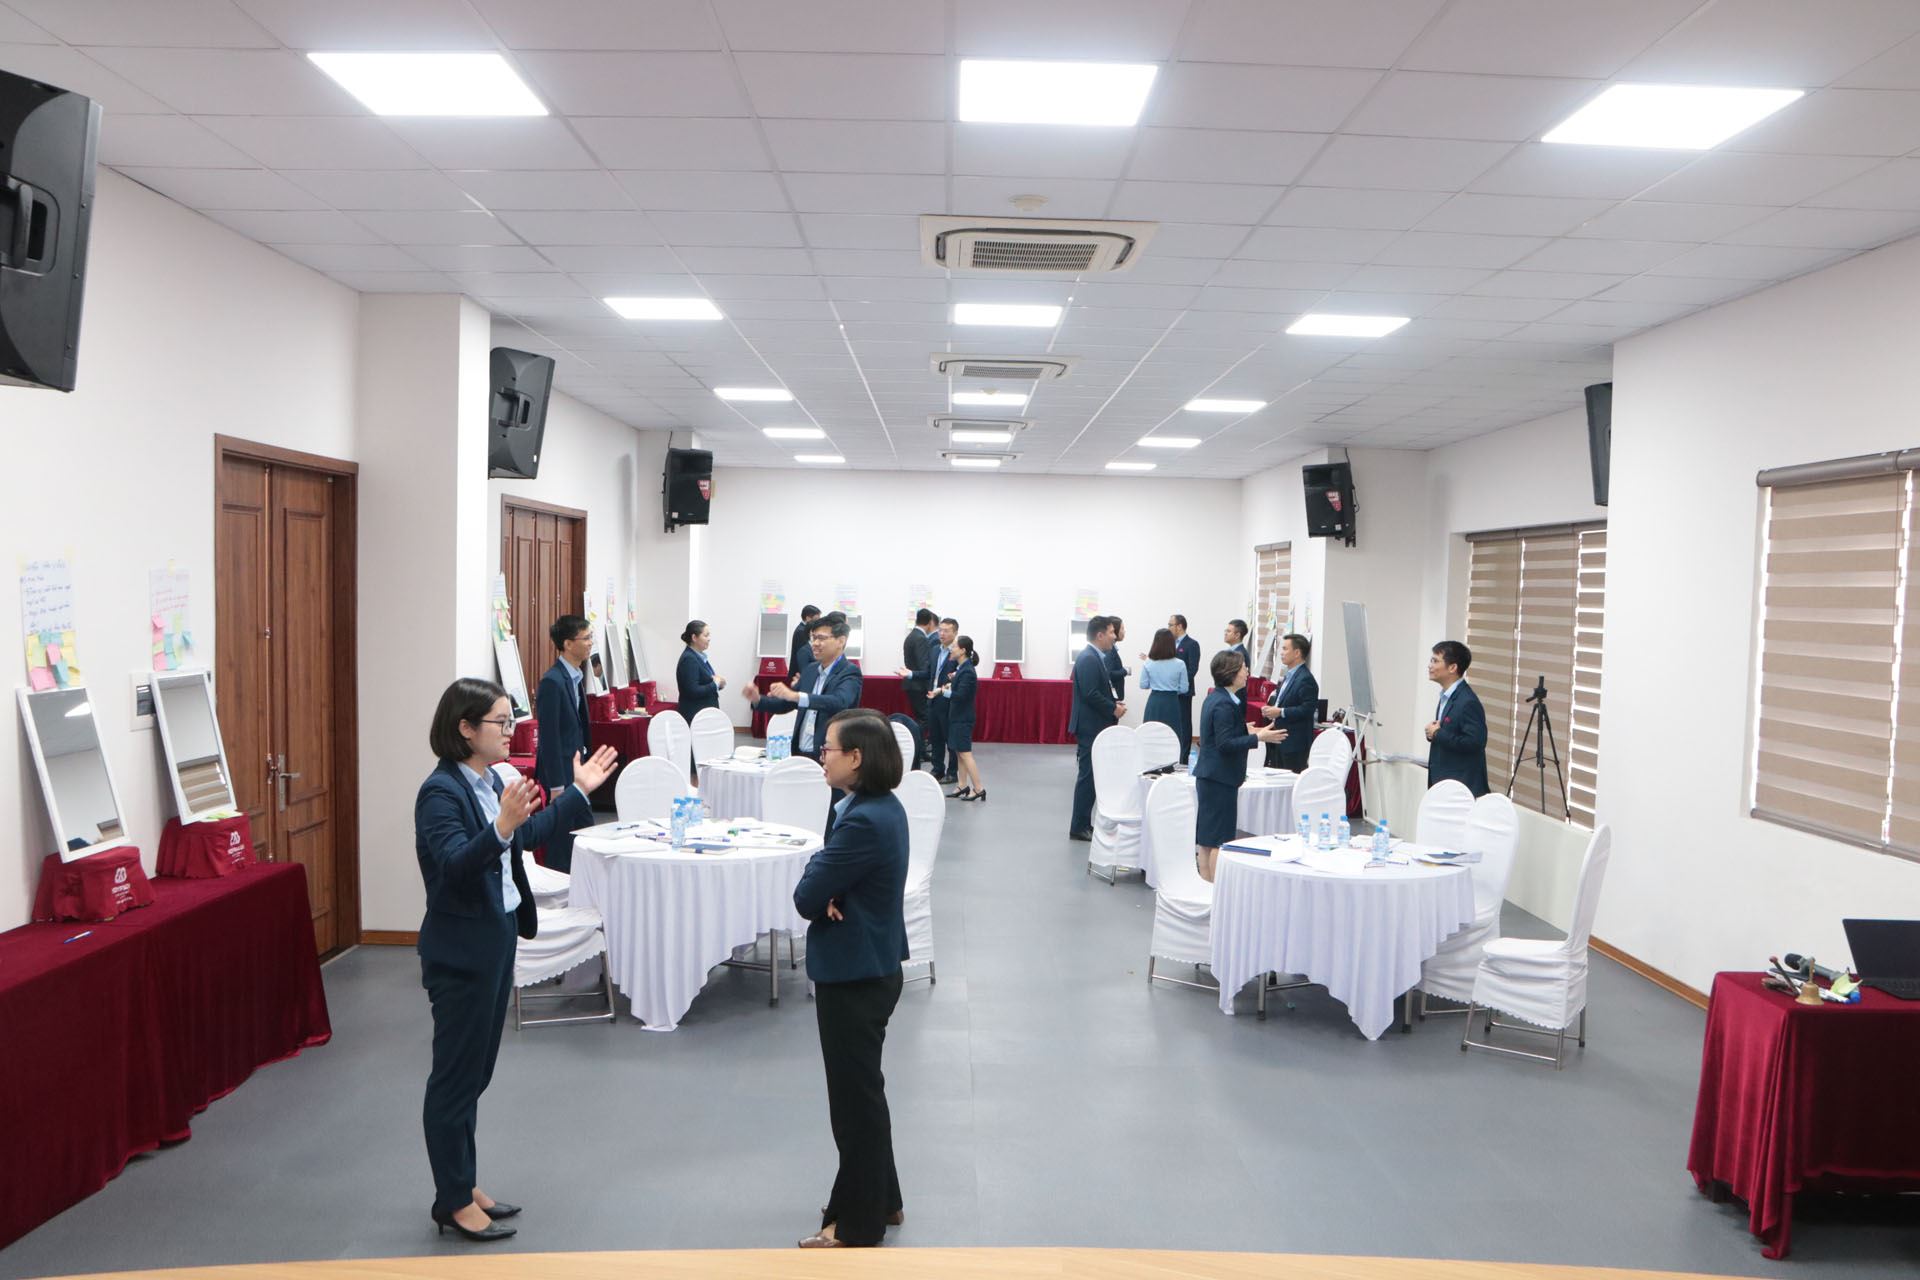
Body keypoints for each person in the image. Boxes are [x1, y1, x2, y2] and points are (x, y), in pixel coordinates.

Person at [415, 677, 618, 1242]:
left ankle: (463, 1182)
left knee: (476, 1074)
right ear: (465, 728)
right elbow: (455, 868)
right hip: (461, 950)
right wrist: (501, 827)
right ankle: (452, 1200)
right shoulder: (440, 794)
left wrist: (577, 793)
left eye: (511, 720)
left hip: (497, 936)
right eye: (500, 722)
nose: (512, 731)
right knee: (455, 1078)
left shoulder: (489, 780)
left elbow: (526, 835)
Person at [792, 710, 909, 1249]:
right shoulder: (875, 808)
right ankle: (884, 1199)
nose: (822, 756)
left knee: (854, 1104)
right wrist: (828, 885)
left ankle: (859, 1224)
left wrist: (825, 888)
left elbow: (806, 895)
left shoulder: (863, 820)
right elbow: (824, 881)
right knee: (865, 1092)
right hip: (872, 965)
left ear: (856, 758)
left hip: (855, 974)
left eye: (829, 749)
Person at [1191, 652, 1285, 882]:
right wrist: (1258, 737)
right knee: (1218, 840)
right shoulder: (1224, 703)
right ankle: (1214, 888)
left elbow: (1221, 734)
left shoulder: (1218, 698)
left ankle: (1206, 887)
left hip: (1212, 776)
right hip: (1220, 778)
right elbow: (1225, 744)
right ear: (1230, 672)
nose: (1247, 672)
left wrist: (1246, 730)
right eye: (1243, 668)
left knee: (1207, 839)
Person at [750, 612, 863, 762]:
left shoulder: (849, 672)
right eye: (813, 638)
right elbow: (787, 703)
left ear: (841, 641)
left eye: (821, 638)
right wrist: (758, 699)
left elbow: (839, 702)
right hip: (800, 751)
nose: (815, 643)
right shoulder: (810, 670)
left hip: (829, 755)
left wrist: (796, 696)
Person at [534, 614, 594, 872]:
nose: (590, 643)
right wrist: (556, 786)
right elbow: (549, 738)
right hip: (561, 776)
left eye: (591, 637)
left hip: (577, 772)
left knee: (584, 835)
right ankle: (560, 887)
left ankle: (584, 884)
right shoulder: (552, 681)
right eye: (586, 638)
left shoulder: (575, 676)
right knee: (562, 844)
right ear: (568, 644)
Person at [1067, 616, 1125, 841]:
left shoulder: (1094, 657)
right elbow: (1090, 693)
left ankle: (1083, 823)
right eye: (1111, 632)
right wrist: (1113, 708)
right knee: (1088, 777)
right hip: (1090, 727)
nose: (1114, 636)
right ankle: (1079, 826)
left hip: (1094, 725)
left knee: (1091, 777)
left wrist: (1113, 703)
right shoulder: (1089, 658)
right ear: (1100, 635)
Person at [1426, 639, 1489, 796]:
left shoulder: (1467, 702)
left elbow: (1475, 743)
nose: (1430, 666)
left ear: (1453, 667)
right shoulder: (1447, 696)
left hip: (1461, 789)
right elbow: (1451, 733)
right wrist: (1433, 733)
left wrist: (1438, 733)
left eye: (1435, 661)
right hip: (1444, 784)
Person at [1260, 633, 1319, 771]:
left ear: (1297, 653)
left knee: (1291, 780)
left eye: (1285, 649)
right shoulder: (1289, 675)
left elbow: (1307, 709)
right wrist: (1271, 711)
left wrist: (1280, 712)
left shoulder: (1306, 679)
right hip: (1279, 738)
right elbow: (1282, 701)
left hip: (1294, 743)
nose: (1281, 653)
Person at [941, 634, 984, 801]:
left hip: (963, 718)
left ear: (963, 650)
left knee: (965, 754)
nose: (951, 649)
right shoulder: (962, 669)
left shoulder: (967, 671)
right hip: (957, 716)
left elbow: (960, 696)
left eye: (954, 646)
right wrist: (953, 681)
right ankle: (962, 784)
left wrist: (944, 692)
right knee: (959, 752)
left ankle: (978, 788)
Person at [1138, 628, 1190, 750]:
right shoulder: (1180, 664)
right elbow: (1184, 688)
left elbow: (1143, 685)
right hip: (1172, 702)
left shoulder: (1148, 663)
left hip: (1154, 701)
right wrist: (1172, 688)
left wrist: (1156, 684)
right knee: (1172, 735)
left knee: (1150, 735)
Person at [922, 617, 959, 783]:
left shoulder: (958, 652)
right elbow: (928, 673)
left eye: (946, 631)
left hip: (949, 702)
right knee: (935, 737)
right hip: (933, 700)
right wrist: (911, 674)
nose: (942, 634)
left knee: (950, 739)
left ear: (955, 633)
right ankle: (937, 769)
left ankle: (953, 772)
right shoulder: (935, 650)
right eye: (940, 630)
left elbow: (960, 677)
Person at [895, 609, 938, 750]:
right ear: (930, 622)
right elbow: (922, 665)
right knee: (924, 718)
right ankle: (917, 748)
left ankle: (919, 749)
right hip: (918, 685)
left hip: (912, 684)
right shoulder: (920, 638)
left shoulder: (911, 635)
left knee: (921, 718)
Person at [674, 620, 724, 719]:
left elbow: (705, 682)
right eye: (706, 635)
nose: (709, 639)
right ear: (694, 638)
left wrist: (719, 684)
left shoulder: (698, 657)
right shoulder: (689, 659)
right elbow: (693, 690)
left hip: (704, 715)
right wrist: (715, 684)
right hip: (696, 716)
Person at [1168, 614, 1201, 765]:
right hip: (1170, 691)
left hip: (1183, 691)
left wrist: (1176, 682)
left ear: (1179, 626)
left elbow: (1192, 670)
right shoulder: (1170, 644)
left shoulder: (1191, 644)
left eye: (1171, 625)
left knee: (1184, 724)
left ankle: (1184, 758)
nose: (1168, 628)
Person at [789, 605, 822, 678]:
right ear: (808, 618)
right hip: (799, 674)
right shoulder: (801, 631)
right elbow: (803, 656)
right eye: (816, 619)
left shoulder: (802, 629)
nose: (818, 622)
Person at [1104, 616, 1129, 694]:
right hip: (1111, 695)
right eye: (1122, 628)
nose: (1124, 631)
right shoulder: (1109, 651)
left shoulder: (1112, 649)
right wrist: (1125, 671)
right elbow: (1109, 675)